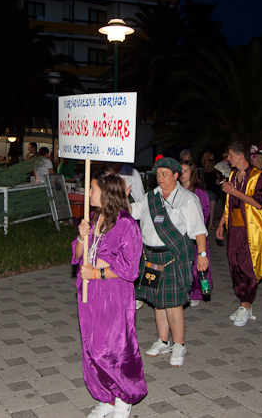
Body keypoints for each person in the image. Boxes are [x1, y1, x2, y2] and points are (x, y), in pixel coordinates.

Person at [72, 170, 147, 418]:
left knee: (112, 348)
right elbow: (79, 255)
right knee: (92, 348)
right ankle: (107, 396)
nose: (89, 193)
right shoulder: (94, 218)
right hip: (89, 294)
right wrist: (83, 237)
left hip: (113, 294)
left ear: (106, 192)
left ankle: (123, 397)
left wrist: (97, 274)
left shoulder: (126, 224)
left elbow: (129, 267)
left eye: (92, 188)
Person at [130, 157, 208, 367]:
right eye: (158, 174)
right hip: (151, 257)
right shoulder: (150, 197)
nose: (160, 178)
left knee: (173, 304)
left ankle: (179, 345)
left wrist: (202, 256)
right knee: (157, 302)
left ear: (176, 175)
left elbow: (199, 231)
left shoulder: (188, 199)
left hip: (173, 256)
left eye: (165, 174)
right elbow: (131, 212)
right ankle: (163, 341)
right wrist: (117, 198)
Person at [215, 141, 262, 327]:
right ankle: (243, 303)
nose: (227, 158)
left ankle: (246, 305)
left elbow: (258, 203)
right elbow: (229, 201)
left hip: (250, 230)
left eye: (230, 155)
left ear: (240, 156)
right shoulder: (232, 174)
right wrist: (222, 223)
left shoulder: (258, 176)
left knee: (247, 266)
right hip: (234, 228)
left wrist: (234, 191)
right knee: (235, 265)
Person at [179, 160, 213, 307]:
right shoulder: (176, 190)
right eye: (180, 171)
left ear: (192, 173)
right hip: (180, 236)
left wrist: (192, 227)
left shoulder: (200, 192)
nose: (182, 174)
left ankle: (197, 293)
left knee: (196, 267)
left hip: (194, 235)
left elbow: (205, 213)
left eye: (185, 171)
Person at [200, 151, 219, 229]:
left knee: (206, 208)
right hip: (213, 192)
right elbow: (217, 182)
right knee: (212, 209)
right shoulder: (213, 174)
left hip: (207, 191)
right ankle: (210, 224)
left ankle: (206, 222)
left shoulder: (205, 173)